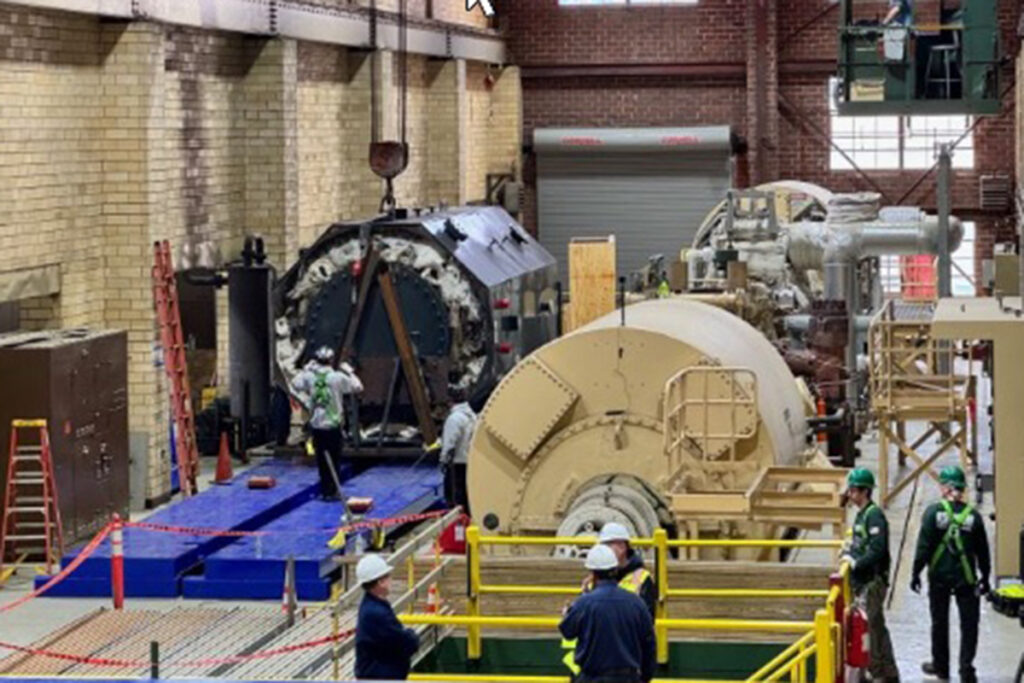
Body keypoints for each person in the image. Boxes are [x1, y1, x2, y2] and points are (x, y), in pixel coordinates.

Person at [911, 465, 991, 683]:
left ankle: (941, 667)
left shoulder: (932, 513)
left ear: (944, 488)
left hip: (939, 577)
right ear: (962, 489)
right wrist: (985, 577)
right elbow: (983, 551)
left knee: (939, 621)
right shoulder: (973, 517)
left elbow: (923, 547)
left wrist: (915, 573)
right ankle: (966, 669)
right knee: (969, 624)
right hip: (966, 577)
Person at [559, 545, 656, 683]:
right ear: (615, 569)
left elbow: (567, 631)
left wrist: (567, 614)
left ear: (593, 573)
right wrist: (644, 677)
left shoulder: (584, 603)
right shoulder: (636, 603)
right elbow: (649, 643)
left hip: (592, 677)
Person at [841, 468, 900, 682]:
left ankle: (877, 672)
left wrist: (856, 563)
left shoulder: (874, 515)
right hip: (866, 580)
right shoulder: (862, 515)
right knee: (877, 626)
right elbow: (861, 543)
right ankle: (888, 671)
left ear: (865, 492)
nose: (850, 494)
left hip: (872, 582)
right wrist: (849, 552)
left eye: (854, 490)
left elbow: (877, 549)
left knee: (870, 629)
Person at [292, 346, 363, 499]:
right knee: (335, 460)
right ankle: (334, 490)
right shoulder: (337, 377)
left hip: (317, 427)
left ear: (316, 361)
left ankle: (325, 491)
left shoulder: (310, 377)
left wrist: (305, 370)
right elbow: (358, 387)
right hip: (333, 426)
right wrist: (349, 372)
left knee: (322, 461)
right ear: (331, 361)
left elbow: (295, 384)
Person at [354, 554, 420, 680]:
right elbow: (405, 643)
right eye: (388, 576)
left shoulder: (373, 606)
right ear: (380, 581)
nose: (391, 580)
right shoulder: (376, 613)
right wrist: (412, 636)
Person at [599, 522, 656, 619]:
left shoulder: (642, 578)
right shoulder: (594, 578)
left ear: (622, 546)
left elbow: (647, 619)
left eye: (607, 545)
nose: (603, 550)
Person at [440, 388, 476, 514]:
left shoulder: (454, 418)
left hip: (457, 462)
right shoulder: (472, 416)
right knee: (467, 494)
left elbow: (450, 442)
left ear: (450, 401)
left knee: (454, 496)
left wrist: (443, 459)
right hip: (469, 461)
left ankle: (457, 522)